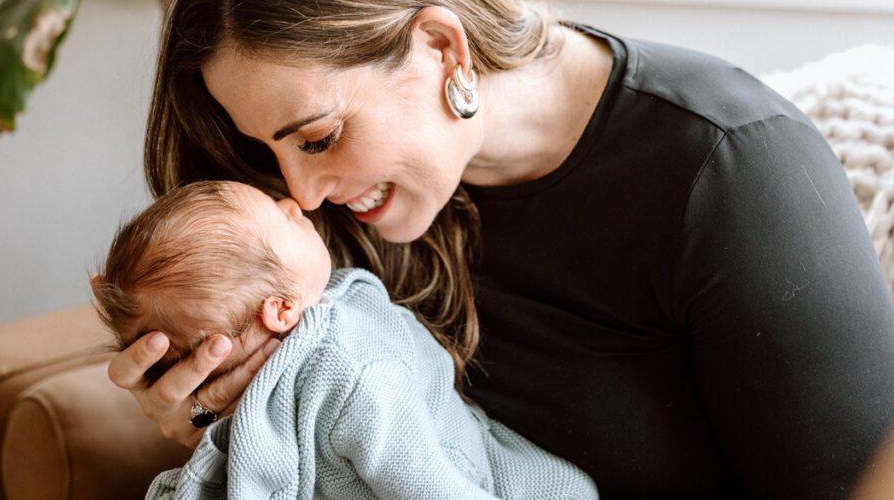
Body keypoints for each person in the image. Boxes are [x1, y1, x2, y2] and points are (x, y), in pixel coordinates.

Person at [105, 0, 894, 496]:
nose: (304, 195)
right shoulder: (320, 225)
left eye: (318, 138)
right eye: (268, 154)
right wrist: (223, 416)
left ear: (442, 48)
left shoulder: (731, 173)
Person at [92, 179, 598, 499]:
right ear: (282, 311)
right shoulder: (352, 373)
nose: (296, 203)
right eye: (282, 219)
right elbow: (420, 480)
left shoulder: (309, 344)